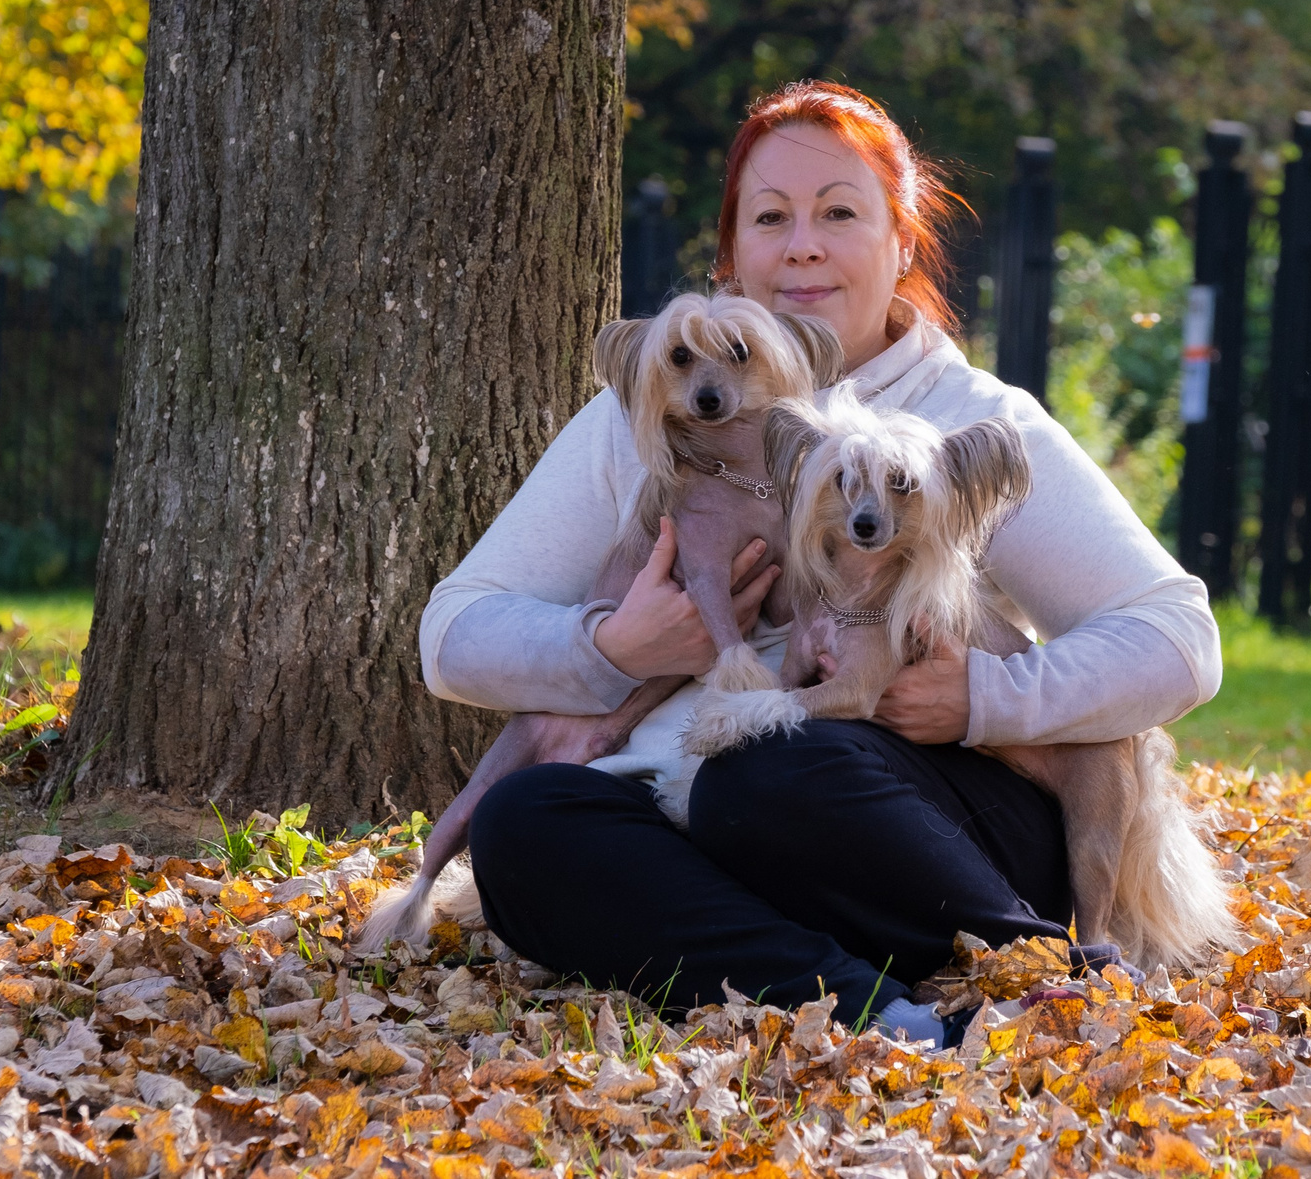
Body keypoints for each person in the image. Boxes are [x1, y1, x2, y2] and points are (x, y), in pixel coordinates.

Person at [415, 82, 1220, 1040]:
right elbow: (454, 635)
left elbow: (1179, 639)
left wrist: (986, 697)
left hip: (916, 826)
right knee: (524, 823)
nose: (802, 244)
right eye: (770, 217)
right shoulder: (655, 410)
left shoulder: (971, 418)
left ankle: (1036, 960)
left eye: (839, 212)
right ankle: (887, 1012)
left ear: (903, 242)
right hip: (695, 825)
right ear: (731, 254)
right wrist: (613, 647)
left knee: (766, 772)